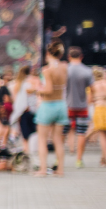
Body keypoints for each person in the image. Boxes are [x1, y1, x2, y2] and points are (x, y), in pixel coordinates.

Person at [35, 41, 69, 178]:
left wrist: (38, 90)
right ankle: (60, 170)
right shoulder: (64, 67)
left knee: (42, 139)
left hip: (48, 106)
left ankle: (43, 169)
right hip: (61, 105)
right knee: (58, 140)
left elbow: (48, 89)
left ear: (48, 53)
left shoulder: (46, 70)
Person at [65, 47, 93, 168]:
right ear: (81, 57)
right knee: (81, 133)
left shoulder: (65, 70)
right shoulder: (87, 71)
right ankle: (79, 160)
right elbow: (93, 90)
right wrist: (88, 102)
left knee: (62, 132)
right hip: (82, 107)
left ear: (69, 57)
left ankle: (58, 159)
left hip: (66, 106)